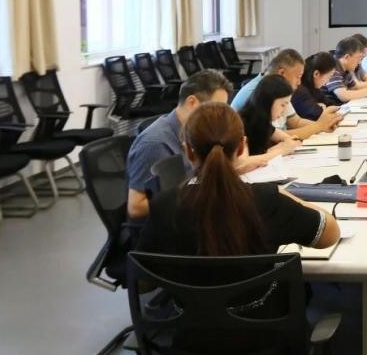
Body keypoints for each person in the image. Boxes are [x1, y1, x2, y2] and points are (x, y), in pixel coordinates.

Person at [138, 102, 339, 256]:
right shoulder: (267, 199)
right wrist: (283, 193)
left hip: (187, 301)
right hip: (262, 300)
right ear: (242, 147)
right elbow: (330, 234)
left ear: (188, 151)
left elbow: (145, 279)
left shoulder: (163, 206)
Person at [126, 70, 234, 222]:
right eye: (215, 108)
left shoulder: (193, 131)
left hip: (183, 212)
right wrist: (196, 196)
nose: (219, 116)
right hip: (164, 225)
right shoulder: (155, 144)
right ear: (192, 102)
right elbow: (136, 208)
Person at [231, 48, 341, 139]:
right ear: (282, 73)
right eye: (298, 76)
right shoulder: (259, 93)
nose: (299, 82)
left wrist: (325, 125)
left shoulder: (279, 90)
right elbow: (274, 137)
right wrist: (319, 126)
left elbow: (296, 122)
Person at [238, 75, 303, 157]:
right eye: (282, 105)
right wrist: (280, 150)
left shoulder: (263, 122)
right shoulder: (242, 124)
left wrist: (291, 142)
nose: (284, 112)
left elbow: (289, 139)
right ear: (268, 101)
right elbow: (244, 162)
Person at [324, 36, 367, 104]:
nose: (359, 62)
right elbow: (344, 96)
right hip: (330, 107)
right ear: (347, 57)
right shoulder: (333, 68)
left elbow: (354, 87)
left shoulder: (347, 70)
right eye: (358, 58)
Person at [292, 51, 337, 121]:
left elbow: (332, 105)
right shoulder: (300, 90)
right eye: (329, 77)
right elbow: (318, 115)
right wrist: (322, 108)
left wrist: (322, 107)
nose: (328, 81)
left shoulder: (314, 87)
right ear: (316, 74)